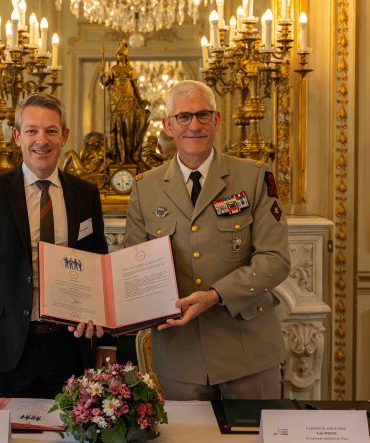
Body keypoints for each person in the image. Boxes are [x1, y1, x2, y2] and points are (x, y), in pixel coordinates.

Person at [124, 80, 290, 400]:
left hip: (247, 350)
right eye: (183, 117)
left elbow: (276, 260)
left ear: (217, 120)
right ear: (168, 126)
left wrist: (215, 295)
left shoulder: (255, 177)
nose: (194, 125)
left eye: (203, 115)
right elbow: (133, 266)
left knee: (253, 430)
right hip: (180, 356)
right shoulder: (146, 187)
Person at [0, 93, 112, 398]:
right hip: (3, 349)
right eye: (32, 131)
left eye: (51, 130)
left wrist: (107, 343)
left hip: (69, 349)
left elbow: (100, 269)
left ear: (64, 136)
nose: (41, 140)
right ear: (17, 136)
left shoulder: (85, 194)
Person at [100, 40, 150, 165]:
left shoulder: (131, 70)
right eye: (118, 54)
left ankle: (129, 158)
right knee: (118, 130)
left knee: (129, 130)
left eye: (122, 54)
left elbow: (135, 87)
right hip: (116, 102)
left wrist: (140, 100)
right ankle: (120, 158)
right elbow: (105, 82)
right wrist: (102, 72)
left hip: (128, 102)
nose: (119, 56)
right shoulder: (113, 69)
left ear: (126, 56)